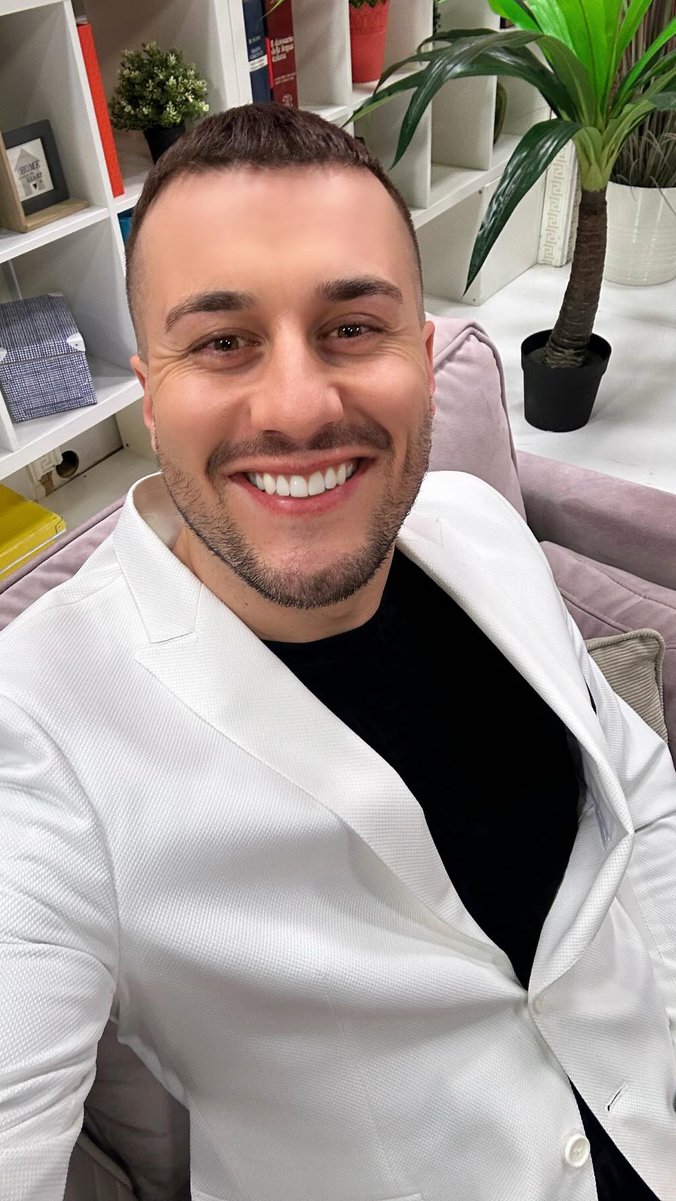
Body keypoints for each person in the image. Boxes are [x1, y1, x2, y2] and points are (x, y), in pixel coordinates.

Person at [1, 103, 676, 1201]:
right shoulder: (37, 728)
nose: (298, 406)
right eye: (222, 342)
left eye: (352, 327)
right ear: (150, 394)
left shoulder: (476, 527)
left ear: (423, 356)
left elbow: (640, 796)